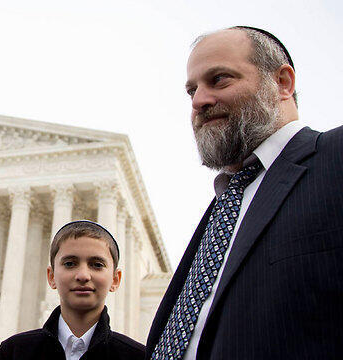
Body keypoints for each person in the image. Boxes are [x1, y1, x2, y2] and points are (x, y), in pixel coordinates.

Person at [146, 26, 343, 360]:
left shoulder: (335, 159)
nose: (199, 101)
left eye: (219, 79)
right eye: (192, 90)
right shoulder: (224, 206)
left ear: (283, 83)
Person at [0, 220, 145, 360]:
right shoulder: (13, 352)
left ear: (115, 279)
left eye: (97, 265)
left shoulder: (139, 357)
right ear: (51, 276)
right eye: (70, 264)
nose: (83, 275)